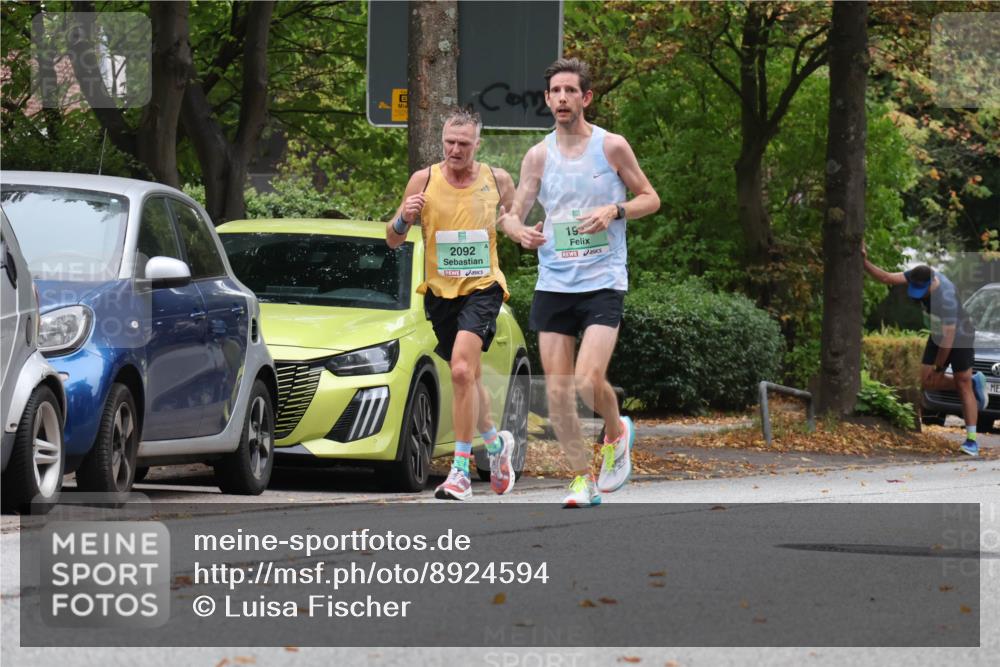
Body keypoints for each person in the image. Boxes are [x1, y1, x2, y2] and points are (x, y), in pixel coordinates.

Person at [498, 58, 661, 507]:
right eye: (556, 91)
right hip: (554, 281)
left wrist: (615, 210)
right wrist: (519, 232)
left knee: (588, 379)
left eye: (571, 91)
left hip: (603, 280)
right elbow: (513, 214)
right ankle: (580, 478)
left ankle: (615, 431)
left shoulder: (611, 147)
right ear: (547, 99)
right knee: (558, 390)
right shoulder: (538, 155)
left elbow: (651, 198)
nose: (563, 98)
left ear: (585, 98)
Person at [387, 108, 526, 500]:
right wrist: (404, 219)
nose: (455, 150)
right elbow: (392, 239)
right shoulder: (424, 179)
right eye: (449, 142)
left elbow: (510, 220)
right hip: (439, 295)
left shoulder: (496, 179)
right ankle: (496, 447)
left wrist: (521, 231)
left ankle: (460, 471)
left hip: (483, 289)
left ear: (476, 144)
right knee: (470, 377)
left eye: (463, 144)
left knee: (463, 369)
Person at [862, 247, 987, 456]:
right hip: (939, 333)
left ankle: (972, 441)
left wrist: (939, 367)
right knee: (928, 381)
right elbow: (886, 277)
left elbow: (949, 339)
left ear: (933, 283)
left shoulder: (945, 297)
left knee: (961, 382)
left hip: (960, 334)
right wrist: (863, 261)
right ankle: (974, 382)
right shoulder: (917, 274)